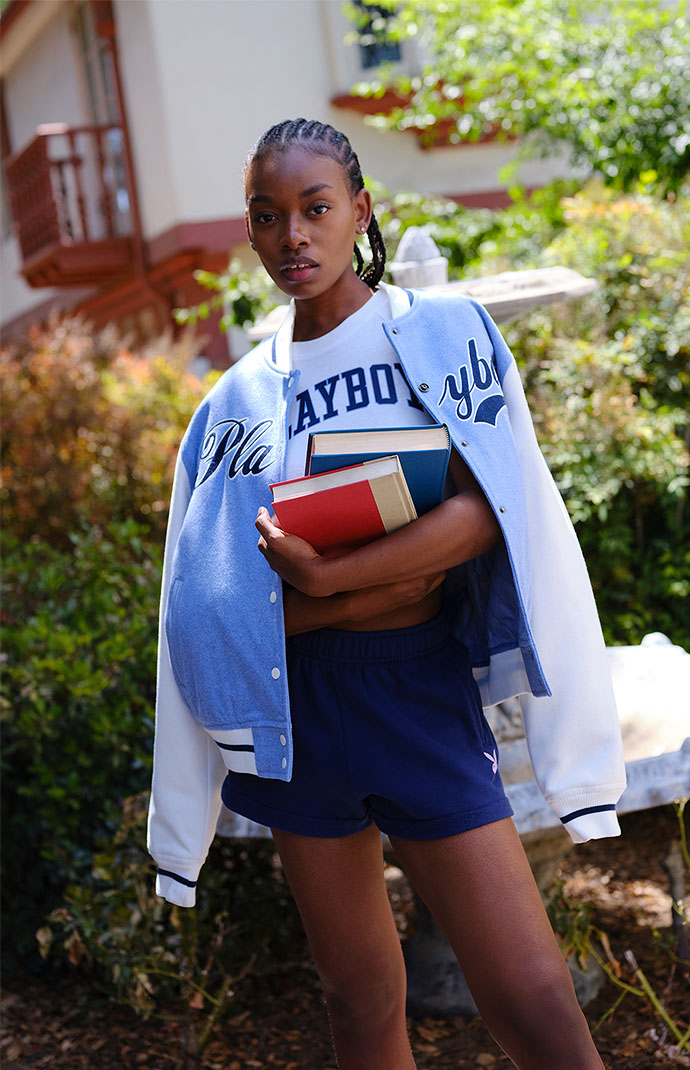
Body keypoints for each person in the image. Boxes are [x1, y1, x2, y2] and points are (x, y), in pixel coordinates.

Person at [148, 117, 626, 1069]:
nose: (295, 236)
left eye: (317, 208)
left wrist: (328, 579)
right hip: (296, 715)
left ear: (360, 209)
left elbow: (490, 506)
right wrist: (371, 580)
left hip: (415, 690)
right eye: (269, 216)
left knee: (530, 997)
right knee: (356, 997)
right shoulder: (236, 401)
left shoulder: (442, 331)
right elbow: (220, 600)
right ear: (249, 231)